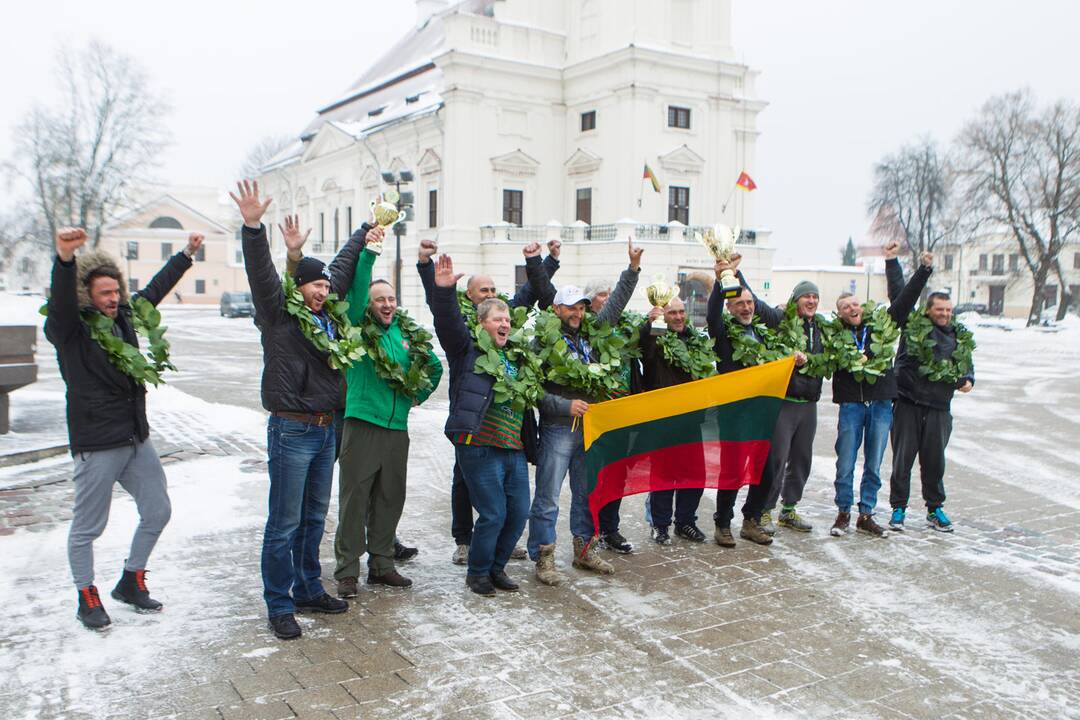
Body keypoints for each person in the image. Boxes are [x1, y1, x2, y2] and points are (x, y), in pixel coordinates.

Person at [232, 180, 373, 640]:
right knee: (284, 521)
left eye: (325, 284)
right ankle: (279, 603)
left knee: (314, 517)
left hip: (326, 427)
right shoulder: (279, 315)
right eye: (315, 283)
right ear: (299, 286)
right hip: (291, 429)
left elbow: (345, 267)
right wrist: (254, 228)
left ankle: (308, 587)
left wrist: (367, 228)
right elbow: (261, 275)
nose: (323, 289)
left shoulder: (330, 319)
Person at [45, 226, 201, 629]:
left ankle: (131, 580)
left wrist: (185, 256)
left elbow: (153, 293)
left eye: (116, 292)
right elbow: (60, 304)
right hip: (97, 442)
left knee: (158, 509)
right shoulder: (71, 331)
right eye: (105, 294)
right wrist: (65, 260)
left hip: (135, 436)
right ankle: (86, 595)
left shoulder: (124, 317)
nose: (114, 299)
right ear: (87, 296)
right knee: (88, 527)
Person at [417, 236, 558, 565]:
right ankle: (465, 540)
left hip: (508, 435)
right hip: (472, 421)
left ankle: (495, 545)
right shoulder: (467, 335)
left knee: (507, 503)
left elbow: (527, 296)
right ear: (470, 298)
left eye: (495, 291)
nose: (492, 296)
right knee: (465, 481)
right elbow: (443, 312)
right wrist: (432, 276)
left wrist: (544, 262)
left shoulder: (508, 334)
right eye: (485, 292)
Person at [333, 230, 443, 597]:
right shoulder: (358, 330)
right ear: (368, 304)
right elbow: (357, 288)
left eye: (392, 298)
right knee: (354, 501)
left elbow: (434, 367)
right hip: (363, 423)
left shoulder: (404, 332)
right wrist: (369, 253)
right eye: (380, 299)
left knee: (389, 498)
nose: (386, 304)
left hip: (397, 429)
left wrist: (417, 395)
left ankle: (381, 565)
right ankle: (348, 570)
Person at [528, 238, 642, 584]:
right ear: (556, 310)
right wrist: (565, 405)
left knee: (586, 492)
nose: (576, 313)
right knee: (548, 495)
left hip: (590, 428)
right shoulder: (542, 341)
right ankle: (543, 556)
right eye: (569, 308)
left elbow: (616, 304)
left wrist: (633, 269)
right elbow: (533, 390)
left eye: (580, 307)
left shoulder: (592, 331)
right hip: (558, 428)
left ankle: (583, 550)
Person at [428, 254, 537, 595]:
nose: (505, 323)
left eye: (507, 319)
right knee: (493, 513)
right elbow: (447, 324)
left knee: (518, 513)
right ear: (482, 324)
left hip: (513, 448)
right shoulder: (467, 349)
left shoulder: (517, 356)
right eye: (497, 319)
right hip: (479, 446)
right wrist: (444, 291)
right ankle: (477, 573)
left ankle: (497, 568)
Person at [829, 242, 932, 539]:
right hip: (851, 404)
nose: (852, 308)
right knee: (845, 460)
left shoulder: (882, 325)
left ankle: (867, 514)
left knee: (874, 461)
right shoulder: (834, 335)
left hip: (881, 403)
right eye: (845, 307)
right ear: (840, 314)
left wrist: (912, 267)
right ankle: (843, 512)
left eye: (855, 304)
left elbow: (904, 299)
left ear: (862, 307)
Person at [887, 279, 974, 533]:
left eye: (948, 310)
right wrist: (893, 261)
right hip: (908, 404)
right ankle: (898, 508)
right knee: (902, 460)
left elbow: (966, 365)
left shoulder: (959, 336)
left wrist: (968, 379)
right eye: (940, 309)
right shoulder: (913, 328)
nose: (945, 314)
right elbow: (899, 295)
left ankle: (935, 508)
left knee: (935, 462)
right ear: (928, 310)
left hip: (939, 408)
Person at [705, 273, 776, 548]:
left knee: (766, 472)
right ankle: (722, 524)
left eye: (749, 303)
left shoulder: (761, 333)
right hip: (734, 415)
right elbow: (712, 316)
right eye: (739, 304)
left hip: (761, 414)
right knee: (732, 472)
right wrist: (720, 280)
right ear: (729, 308)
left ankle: (751, 521)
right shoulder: (723, 333)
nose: (746, 308)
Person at [579, 277, 644, 555]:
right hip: (598, 415)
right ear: (590, 302)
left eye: (610, 294)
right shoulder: (589, 330)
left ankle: (609, 527)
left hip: (625, 414)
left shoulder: (626, 330)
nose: (609, 298)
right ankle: (590, 529)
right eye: (603, 294)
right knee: (596, 475)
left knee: (618, 474)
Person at [639, 298, 711, 544]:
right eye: (672, 313)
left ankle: (686, 522)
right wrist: (649, 325)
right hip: (663, 419)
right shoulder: (656, 338)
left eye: (682, 312)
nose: (679, 317)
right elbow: (644, 348)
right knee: (663, 475)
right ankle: (660, 525)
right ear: (663, 316)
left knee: (694, 474)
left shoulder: (694, 340)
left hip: (691, 418)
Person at [759, 281, 826, 534]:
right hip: (785, 401)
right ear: (795, 299)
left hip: (809, 403)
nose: (811, 301)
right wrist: (735, 275)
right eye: (806, 296)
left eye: (815, 296)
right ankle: (764, 510)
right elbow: (760, 309)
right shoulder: (781, 320)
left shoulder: (821, 326)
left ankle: (789, 510)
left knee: (801, 459)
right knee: (776, 458)